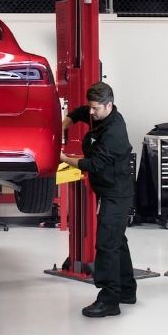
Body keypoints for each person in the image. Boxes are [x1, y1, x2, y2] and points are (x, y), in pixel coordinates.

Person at [60, 82, 137, 318]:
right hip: (109, 189)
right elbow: (78, 113)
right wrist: (62, 127)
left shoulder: (114, 131)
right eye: (91, 107)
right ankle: (126, 290)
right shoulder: (98, 114)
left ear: (109, 105)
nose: (90, 112)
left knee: (106, 243)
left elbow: (91, 164)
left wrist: (61, 157)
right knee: (117, 240)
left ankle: (109, 300)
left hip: (117, 192)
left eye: (95, 108)